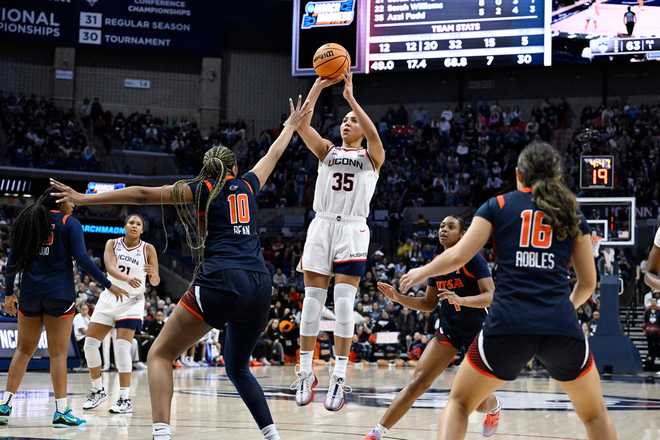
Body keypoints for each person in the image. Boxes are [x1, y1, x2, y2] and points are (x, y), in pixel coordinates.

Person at [50, 96, 310, 440]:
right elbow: (272, 155)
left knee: (160, 354)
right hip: (260, 284)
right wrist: (291, 126)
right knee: (238, 367)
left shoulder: (200, 189)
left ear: (208, 169)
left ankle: (161, 434)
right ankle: (272, 435)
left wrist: (83, 199)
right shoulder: (247, 185)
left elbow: (142, 194)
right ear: (232, 169)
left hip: (220, 280)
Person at [400, 142, 617, 440]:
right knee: (594, 415)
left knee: (460, 403)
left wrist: (422, 271)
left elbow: (458, 255)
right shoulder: (572, 213)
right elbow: (588, 283)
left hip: (508, 324)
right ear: (556, 176)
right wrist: (562, 309)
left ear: (518, 174)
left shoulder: (498, 206)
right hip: (560, 325)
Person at [292, 72, 385, 411]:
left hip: (353, 230)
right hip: (322, 225)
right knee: (312, 304)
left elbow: (373, 133)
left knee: (344, 305)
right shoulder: (327, 151)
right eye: (344, 120)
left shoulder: (372, 156)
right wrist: (318, 85)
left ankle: (339, 378)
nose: (347, 124)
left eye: (352, 121)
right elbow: (301, 125)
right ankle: (305, 372)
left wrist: (350, 99)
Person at [364, 216, 500, 440]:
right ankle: (376, 432)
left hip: (477, 332)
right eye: (441, 226)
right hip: (449, 330)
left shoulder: (473, 259)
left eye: (450, 226)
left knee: (478, 401)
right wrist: (399, 298)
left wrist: (462, 300)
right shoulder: (438, 264)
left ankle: (494, 407)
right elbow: (428, 303)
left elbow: (491, 296)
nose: (443, 229)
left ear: (462, 234)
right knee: (417, 382)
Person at [0, 190, 127, 427]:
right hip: (59, 294)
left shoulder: (27, 220)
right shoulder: (71, 224)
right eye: (71, 199)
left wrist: (8, 293)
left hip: (29, 292)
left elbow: (12, 260)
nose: (75, 204)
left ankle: (4, 405)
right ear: (61, 202)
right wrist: (108, 284)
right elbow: (83, 259)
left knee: (23, 350)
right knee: (58, 354)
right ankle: (60, 411)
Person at [82, 214, 160, 414]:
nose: (134, 226)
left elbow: (156, 281)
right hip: (110, 297)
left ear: (142, 229)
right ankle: (97, 389)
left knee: (123, 347)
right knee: (90, 344)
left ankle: (125, 398)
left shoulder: (148, 248)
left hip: (132, 301)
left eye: (138, 224)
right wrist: (127, 277)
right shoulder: (112, 243)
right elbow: (110, 267)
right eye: (131, 223)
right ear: (125, 226)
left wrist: (153, 274)